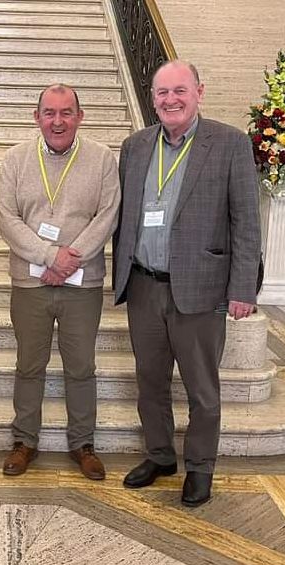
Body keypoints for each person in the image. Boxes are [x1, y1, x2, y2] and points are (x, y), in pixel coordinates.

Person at [113, 60, 261, 506]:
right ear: (152, 98)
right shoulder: (135, 146)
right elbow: (126, 216)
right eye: (162, 93)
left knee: (202, 388)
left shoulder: (230, 143)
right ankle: (159, 455)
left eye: (179, 90)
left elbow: (246, 222)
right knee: (150, 381)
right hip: (144, 286)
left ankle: (200, 466)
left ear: (199, 91)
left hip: (202, 287)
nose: (170, 100)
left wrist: (243, 288)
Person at [0, 84, 120, 480]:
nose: (58, 121)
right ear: (37, 117)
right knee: (28, 365)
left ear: (80, 117)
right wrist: (50, 257)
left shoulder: (102, 159)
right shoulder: (15, 159)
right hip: (30, 283)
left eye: (66, 112)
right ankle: (24, 441)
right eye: (49, 113)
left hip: (82, 285)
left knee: (81, 366)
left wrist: (69, 260)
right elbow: (7, 219)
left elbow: (107, 215)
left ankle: (83, 443)